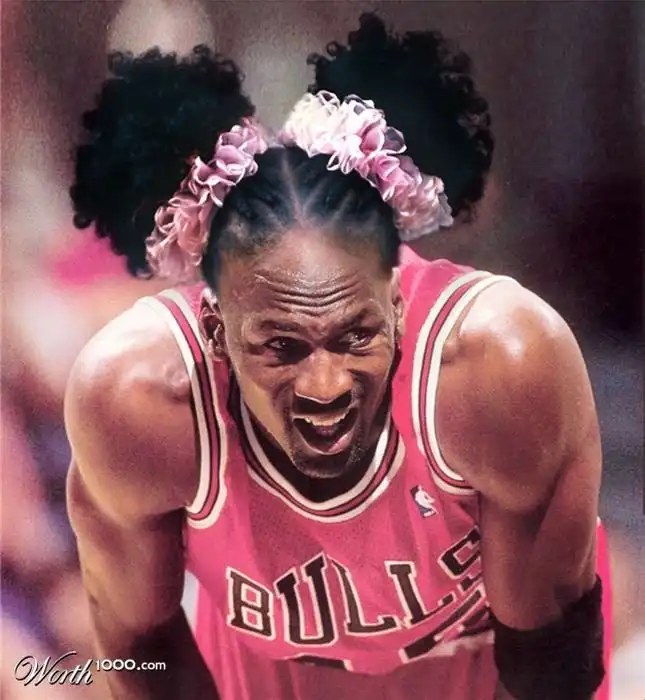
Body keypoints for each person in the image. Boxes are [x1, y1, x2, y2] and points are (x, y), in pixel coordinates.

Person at [64, 13, 610, 700]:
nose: (324, 385)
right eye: (281, 347)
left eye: (355, 337)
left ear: (398, 306)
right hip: (259, 675)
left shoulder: (497, 366)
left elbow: (549, 665)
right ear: (214, 329)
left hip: (489, 664)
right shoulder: (138, 398)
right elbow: (142, 653)